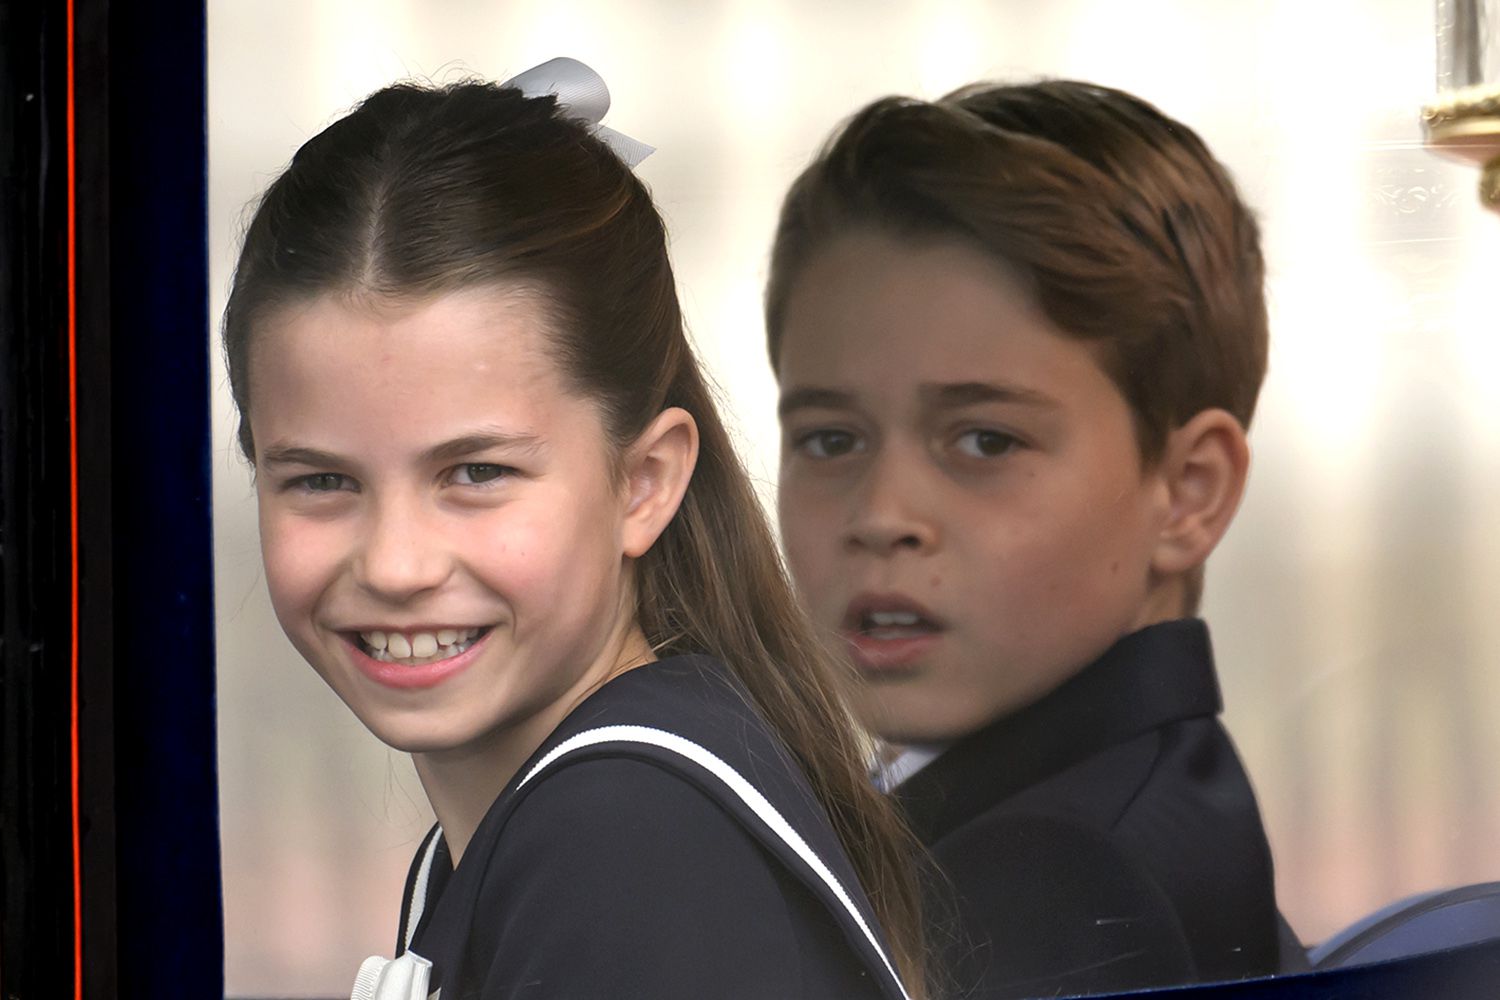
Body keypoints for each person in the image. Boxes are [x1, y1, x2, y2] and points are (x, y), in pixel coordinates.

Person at [222, 70, 926, 1000]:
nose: (395, 564)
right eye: (320, 480)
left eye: (476, 474)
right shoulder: (561, 820)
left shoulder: (624, 841)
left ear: (645, 483)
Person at [766, 80, 1300, 998]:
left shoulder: (1047, 882)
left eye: (986, 440)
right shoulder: (1115, 801)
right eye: (829, 440)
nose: (882, 513)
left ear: (1187, 491)